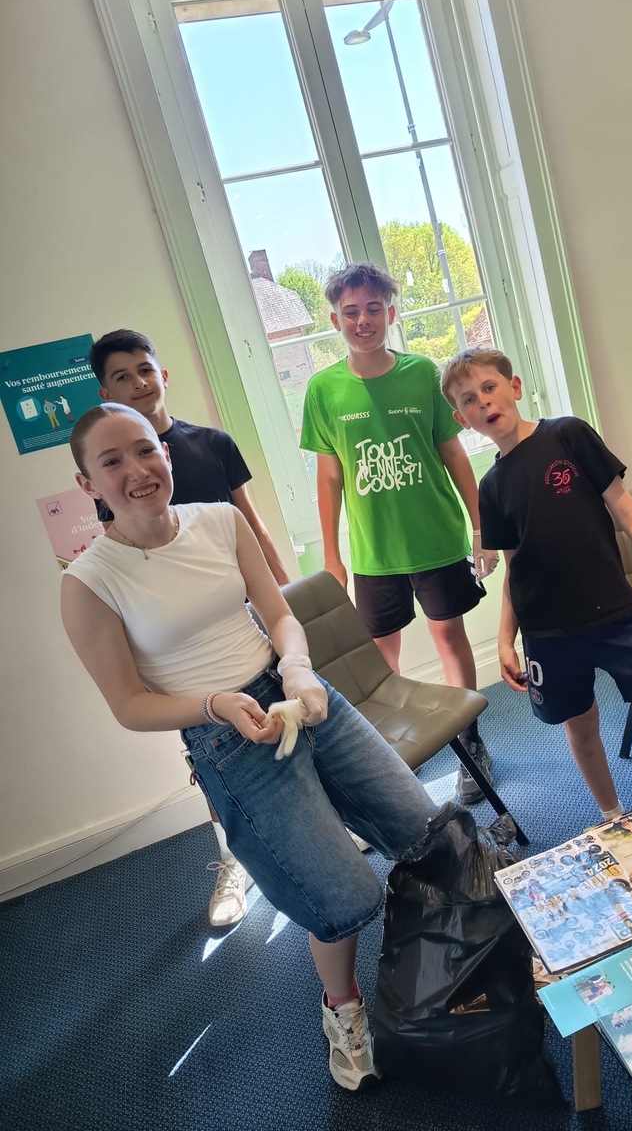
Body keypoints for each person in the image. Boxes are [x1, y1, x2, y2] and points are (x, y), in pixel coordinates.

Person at [60, 403, 437, 1093]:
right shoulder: (89, 582)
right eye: (111, 462)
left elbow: (280, 614)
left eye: (145, 450)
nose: (137, 470)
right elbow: (129, 704)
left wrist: (297, 667)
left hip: (298, 693)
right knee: (344, 896)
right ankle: (343, 1010)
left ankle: (448, 964)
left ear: (165, 451)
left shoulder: (220, 521)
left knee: (427, 833)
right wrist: (215, 704)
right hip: (225, 735)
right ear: (87, 484)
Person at [441, 347, 632, 819]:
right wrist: (505, 637)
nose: (482, 402)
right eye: (469, 399)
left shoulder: (567, 434)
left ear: (514, 387)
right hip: (548, 634)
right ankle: (613, 816)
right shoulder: (491, 487)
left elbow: (627, 509)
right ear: (461, 418)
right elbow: (514, 566)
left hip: (615, 617)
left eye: (489, 387)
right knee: (581, 727)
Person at [89, 329, 291, 928]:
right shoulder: (113, 470)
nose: (137, 383)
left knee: (290, 720)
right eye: (121, 377)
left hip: (243, 612)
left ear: (163, 374)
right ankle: (233, 860)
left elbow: (250, 524)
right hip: (186, 651)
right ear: (106, 392)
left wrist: (286, 597)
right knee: (213, 754)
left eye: (144, 369)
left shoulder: (212, 444)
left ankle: (319, 827)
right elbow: (122, 555)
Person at [300, 263, 499, 804]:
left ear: (390, 312)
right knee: (378, 658)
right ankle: (386, 754)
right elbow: (329, 477)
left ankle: (470, 741)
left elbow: (453, 453)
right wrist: (333, 556)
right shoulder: (323, 389)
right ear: (335, 319)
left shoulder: (422, 374)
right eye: (350, 312)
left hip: (437, 540)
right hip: (374, 553)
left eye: (373, 309)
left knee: (448, 636)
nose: (362, 320)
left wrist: (480, 527)